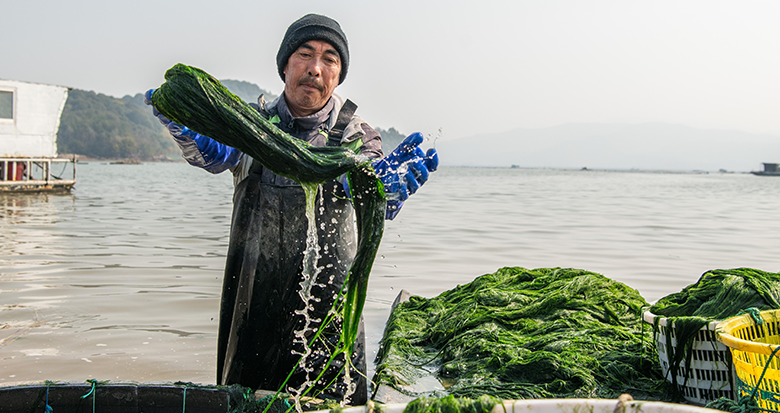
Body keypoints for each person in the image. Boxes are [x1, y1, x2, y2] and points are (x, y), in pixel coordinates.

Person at [145, 13, 438, 404]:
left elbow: (374, 214)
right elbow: (211, 156)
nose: (315, 68)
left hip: (331, 325)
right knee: (246, 404)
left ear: (338, 74)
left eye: (330, 59)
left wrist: (385, 198)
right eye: (305, 54)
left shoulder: (358, 138)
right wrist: (192, 129)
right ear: (285, 65)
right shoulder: (249, 125)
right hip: (251, 316)